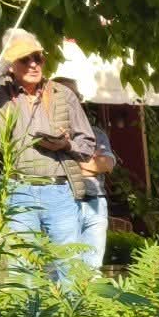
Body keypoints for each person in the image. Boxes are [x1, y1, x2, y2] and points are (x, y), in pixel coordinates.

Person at [0, 30, 96, 268]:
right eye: (24, 59)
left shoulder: (62, 94)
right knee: (20, 267)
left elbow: (87, 145)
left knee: (68, 266)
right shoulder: (0, 94)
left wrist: (66, 144)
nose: (33, 64)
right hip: (17, 190)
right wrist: (7, 54)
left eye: (37, 58)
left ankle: (68, 297)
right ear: (11, 64)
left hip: (59, 190)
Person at [52, 78, 116, 274]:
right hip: (64, 202)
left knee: (92, 269)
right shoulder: (49, 135)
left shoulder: (95, 133)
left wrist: (69, 160)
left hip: (96, 202)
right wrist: (90, 165)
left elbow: (107, 164)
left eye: (74, 96)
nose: (70, 101)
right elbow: (53, 170)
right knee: (63, 268)